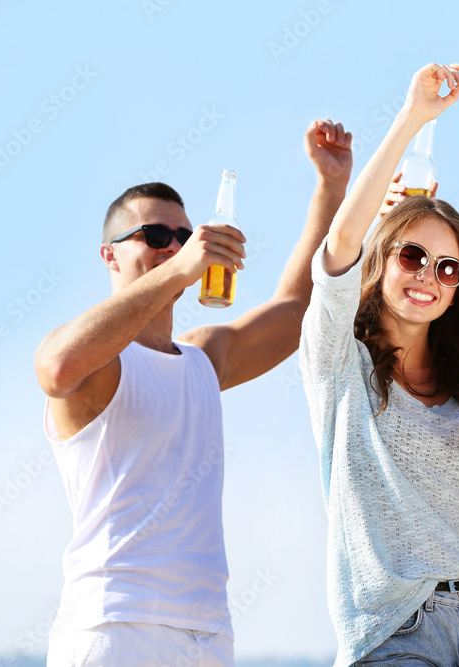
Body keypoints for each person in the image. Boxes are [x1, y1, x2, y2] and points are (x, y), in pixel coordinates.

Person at [36, 120, 353, 666]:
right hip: (115, 623)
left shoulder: (203, 357)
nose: (175, 247)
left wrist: (330, 189)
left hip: (208, 633)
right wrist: (181, 270)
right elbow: (58, 367)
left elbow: (298, 310)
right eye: (156, 237)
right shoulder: (100, 363)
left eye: (184, 237)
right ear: (109, 255)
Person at [298, 62, 459, 666]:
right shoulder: (340, 364)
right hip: (399, 630)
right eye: (413, 255)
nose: (429, 276)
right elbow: (337, 249)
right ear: (380, 259)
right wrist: (413, 117)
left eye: (448, 268)